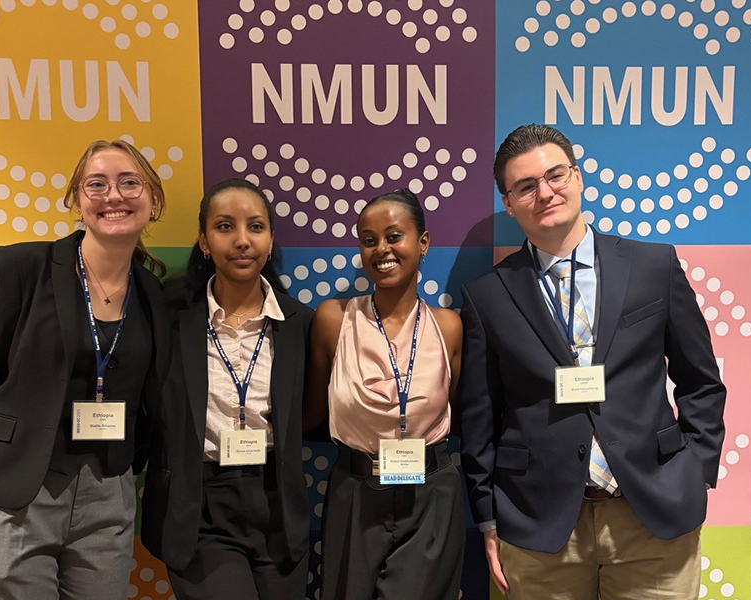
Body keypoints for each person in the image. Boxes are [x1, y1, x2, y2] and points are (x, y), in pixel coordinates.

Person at [457, 124, 727, 599]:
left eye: (555, 175)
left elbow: (700, 380)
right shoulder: (487, 297)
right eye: (525, 186)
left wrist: (695, 472)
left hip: (653, 514)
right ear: (508, 201)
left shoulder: (653, 266)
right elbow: (480, 418)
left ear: (578, 177)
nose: (545, 193)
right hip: (539, 524)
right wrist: (488, 517)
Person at [0, 139, 170, 599]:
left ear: (153, 200)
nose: (113, 195)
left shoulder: (153, 294)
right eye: (96, 184)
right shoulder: (21, 266)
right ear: (77, 201)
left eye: (129, 183)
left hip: (107, 499)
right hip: (14, 495)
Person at [141, 179, 313, 600]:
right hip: (198, 504)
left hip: (276, 504)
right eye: (224, 227)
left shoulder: (300, 324)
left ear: (271, 239)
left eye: (255, 227)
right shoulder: (169, 316)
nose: (241, 241)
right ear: (203, 241)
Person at [306, 189, 465, 600]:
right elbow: (310, 414)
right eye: (368, 239)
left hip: (431, 494)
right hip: (354, 493)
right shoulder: (333, 319)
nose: (382, 249)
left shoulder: (448, 327)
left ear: (423, 243)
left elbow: (460, 410)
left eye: (394, 236)